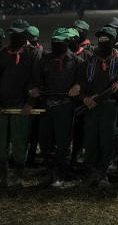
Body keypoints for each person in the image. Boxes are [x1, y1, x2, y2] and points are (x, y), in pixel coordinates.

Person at [0, 23, 41, 187]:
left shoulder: (33, 54)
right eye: (12, 34)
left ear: (24, 35)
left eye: (17, 34)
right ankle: (0, 176)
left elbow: (36, 82)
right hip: (2, 107)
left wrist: (30, 104)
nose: (13, 37)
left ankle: (18, 176)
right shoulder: (3, 53)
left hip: (21, 107)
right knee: (0, 144)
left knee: (19, 143)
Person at [72, 26, 118, 187]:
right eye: (100, 40)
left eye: (106, 40)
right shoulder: (89, 61)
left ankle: (103, 171)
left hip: (109, 106)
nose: (102, 42)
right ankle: (92, 171)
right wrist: (85, 99)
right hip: (90, 107)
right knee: (91, 139)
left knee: (107, 139)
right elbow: (80, 84)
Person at [37, 28, 82, 188]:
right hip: (47, 107)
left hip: (66, 107)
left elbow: (83, 81)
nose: (56, 44)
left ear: (67, 43)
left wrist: (78, 86)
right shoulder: (45, 60)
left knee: (64, 144)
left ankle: (60, 174)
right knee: (45, 142)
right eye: (54, 41)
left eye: (60, 42)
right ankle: (50, 172)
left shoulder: (76, 61)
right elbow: (36, 80)